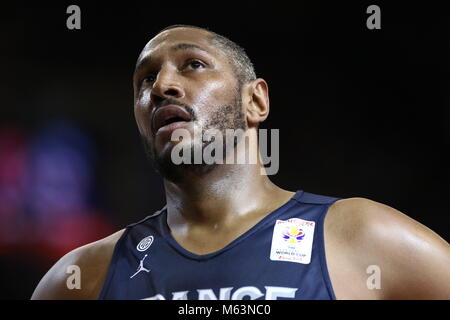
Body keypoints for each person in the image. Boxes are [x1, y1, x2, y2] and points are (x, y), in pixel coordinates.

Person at [31, 25, 450, 300]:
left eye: (192, 65)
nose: (161, 87)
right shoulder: (81, 277)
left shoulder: (362, 235)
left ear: (255, 100)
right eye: (145, 79)